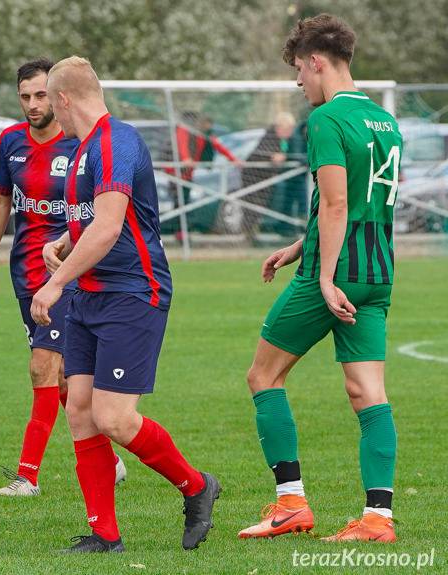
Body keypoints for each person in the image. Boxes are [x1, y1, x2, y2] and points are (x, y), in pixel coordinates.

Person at [30, 56, 220, 553]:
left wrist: (53, 284)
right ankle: (105, 535)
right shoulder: (80, 152)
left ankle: (197, 487)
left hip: (134, 293)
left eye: (51, 102)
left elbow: (112, 226)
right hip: (90, 297)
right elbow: (94, 225)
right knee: (80, 411)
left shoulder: (117, 142)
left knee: (114, 418)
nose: (51, 114)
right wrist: (64, 244)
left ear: (64, 99)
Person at [238, 14, 402, 543]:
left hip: (332, 276)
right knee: (367, 392)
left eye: (299, 74)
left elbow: (334, 203)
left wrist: (324, 277)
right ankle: (378, 518)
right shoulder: (384, 121)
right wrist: (295, 247)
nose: (299, 84)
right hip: (377, 272)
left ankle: (290, 504)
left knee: (263, 377)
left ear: (316, 62)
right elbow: (356, 204)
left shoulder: (328, 120)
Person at [0, 58, 125, 497]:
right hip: (24, 272)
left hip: (67, 275)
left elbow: (100, 212)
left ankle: (28, 477)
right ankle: (109, 458)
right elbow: (0, 202)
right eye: (25, 96)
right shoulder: (10, 142)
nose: (32, 104)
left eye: (41, 95)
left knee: (42, 368)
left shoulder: (81, 143)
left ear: (58, 96)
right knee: (61, 380)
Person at [165, 112, 240, 240]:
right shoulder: (185, 130)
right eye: (204, 123)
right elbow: (182, 145)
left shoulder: (205, 135)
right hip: (176, 174)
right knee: (179, 203)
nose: (207, 126)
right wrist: (186, 158)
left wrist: (233, 159)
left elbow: (218, 146)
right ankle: (179, 232)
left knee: (184, 203)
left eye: (209, 124)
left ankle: (181, 233)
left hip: (188, 175)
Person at [240, 111, 307, 241]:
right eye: (288, 129)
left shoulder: (284, 139)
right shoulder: (270, 136)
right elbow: (265, 154)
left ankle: (251, 234)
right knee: (252, 206)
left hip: (266, 179)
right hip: (254, 177)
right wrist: (274, 156)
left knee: (260, 206)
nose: (290, 132)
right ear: (280, 127)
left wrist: (284, 156)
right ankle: (248, 235)